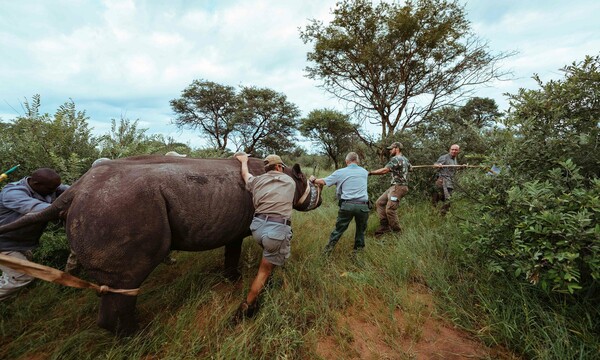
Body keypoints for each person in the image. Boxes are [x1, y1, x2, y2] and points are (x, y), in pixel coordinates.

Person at [234, 153, 295, 319]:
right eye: (281, 167)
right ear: (278, 167)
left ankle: (272, 262)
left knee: (270, 252)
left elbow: (245, 175)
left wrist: (244, 161)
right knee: (264, 270)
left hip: (257, 228)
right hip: (275, 231)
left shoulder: (257, 181)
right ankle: (247, 307)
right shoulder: (290, 181)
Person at [0, 168, 69, 300]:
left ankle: (10, 298)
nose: (55, 191)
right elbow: (39, 209)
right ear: (37, 184)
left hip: (20, 243)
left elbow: (68, 189)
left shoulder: (49, 186)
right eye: (51, 189)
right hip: (4, 244)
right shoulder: (12, 193)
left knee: (15, 273)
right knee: (23, 277)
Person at [309, 152, 369, 255]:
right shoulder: (364, 172)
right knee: (360, 231)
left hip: (347, 205)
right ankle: (357, 254)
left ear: (346, 161)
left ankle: (327, 252)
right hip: (363, 206)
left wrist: (313, 179)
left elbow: (323, 181)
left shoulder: (340, 172)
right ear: (357, 161)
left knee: (338, 230)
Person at [368, 142, 412, 236]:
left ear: (397, 148)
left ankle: (397, 232)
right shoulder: (405, 159)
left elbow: (385, 170)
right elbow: (410, 168)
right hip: (395, 187)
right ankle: (384, 226)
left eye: (391, 149)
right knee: (380, 202)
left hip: (398, 187)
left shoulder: (396, 159)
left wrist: (370, 173)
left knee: (390, 209)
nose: (390, 151)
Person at [433, 144, 461, 214]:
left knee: (448, 200)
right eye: (452, 149)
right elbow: (435, 165)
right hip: (442, 181)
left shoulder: (454, 159)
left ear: (458, 151)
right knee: (439, 198)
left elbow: (453, 168)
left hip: (450, 182)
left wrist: (461, 167)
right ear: (449, 150)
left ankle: (441, 214)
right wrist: (437, 165)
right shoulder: (444, 157)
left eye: (456, 150)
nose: (454, 151)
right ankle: (434, 213)